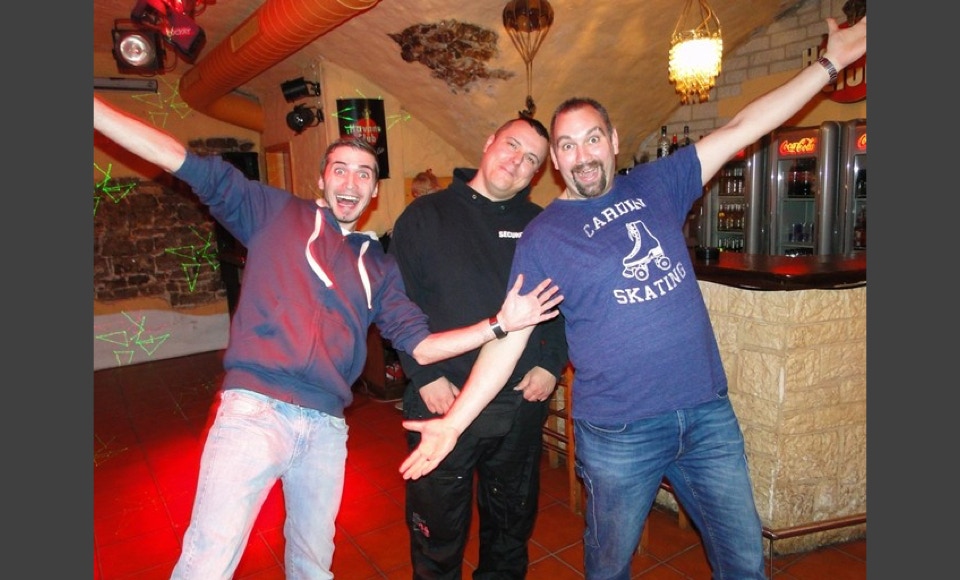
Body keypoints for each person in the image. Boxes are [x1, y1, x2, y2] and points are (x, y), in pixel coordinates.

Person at [399, 15, 867, 580]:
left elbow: (743, 127)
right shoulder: (544, 236)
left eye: (592, 138)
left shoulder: (658, 184)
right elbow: (509, 336)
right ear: (556, 163)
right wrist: (454, 424)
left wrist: (830, 63)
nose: (582, 154)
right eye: (567, 145)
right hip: (620, 432)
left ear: (614, 140)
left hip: (706, 414)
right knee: (609, 568)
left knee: (744, 562)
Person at [92, 95, 563, 580]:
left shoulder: (377, 266)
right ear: (321, 179)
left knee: (314, 566)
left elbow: (422, 345)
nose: (351, 183)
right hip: (254, 410)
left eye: (364, 174)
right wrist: (96, 113)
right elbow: (183, 161)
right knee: (208, 560)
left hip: (325, 427)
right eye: (341, 170)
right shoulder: (274, 213)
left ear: (373, 191)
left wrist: (500, 324)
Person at [388, 117, 568, 578]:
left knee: (509, 530)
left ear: (537, 173)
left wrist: (550, 363)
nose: (518, 161)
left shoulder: (541, 225)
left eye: (531, 159)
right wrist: (424, 375)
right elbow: (396, 305)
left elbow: (561, 304)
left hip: (518, 404)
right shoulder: (424, 216)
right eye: (512, 145)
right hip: (441, 397)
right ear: (489, 143)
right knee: (437, 535)